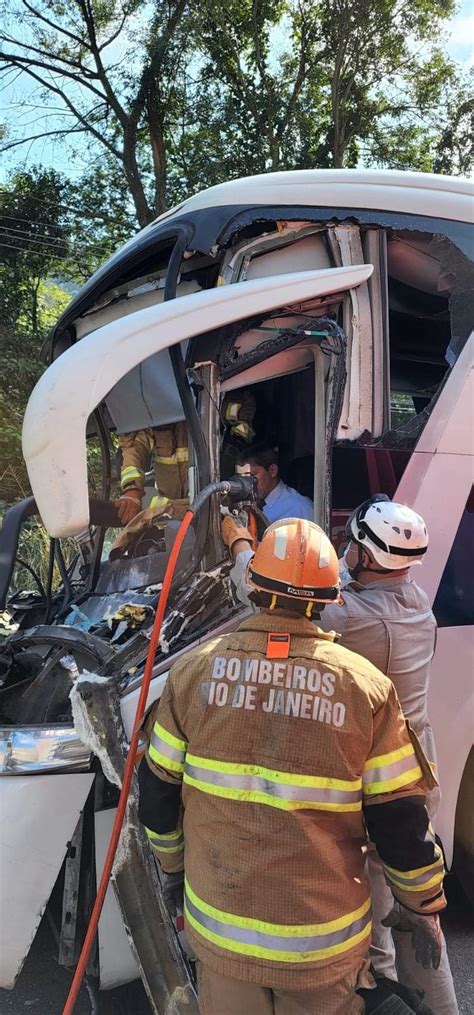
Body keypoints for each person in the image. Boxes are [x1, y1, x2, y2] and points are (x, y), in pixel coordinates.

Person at [138, 518, 446, 1015]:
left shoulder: (192, 673)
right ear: (329, 598)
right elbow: (400, 817)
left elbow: (157, 793)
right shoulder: (364, 688)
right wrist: (423, 903)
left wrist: (173, 867)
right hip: (320, 950)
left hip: (222, 936)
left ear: (254, 589)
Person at [316, 495, 458, 1015]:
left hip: (384, 781)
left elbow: (281, 595)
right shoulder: (415, 599)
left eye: (353, 543)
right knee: (417, 910)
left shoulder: (357, 619)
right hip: (418, 769)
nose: (346, 549)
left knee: (376, 911)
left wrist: (242, 545)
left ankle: (391, 998)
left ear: (369, 557)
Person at [115, 422, 189, 524]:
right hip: (173, 521)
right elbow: (135, 447)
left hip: (211, 512)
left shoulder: (208, 414)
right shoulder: (154, 417)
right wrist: (132, 491)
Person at [238, 444, 313, 522]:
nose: (246, 483)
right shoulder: (244, 505)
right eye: (242, 477)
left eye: (252, 475)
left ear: (273, 470)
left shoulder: (300, 508)